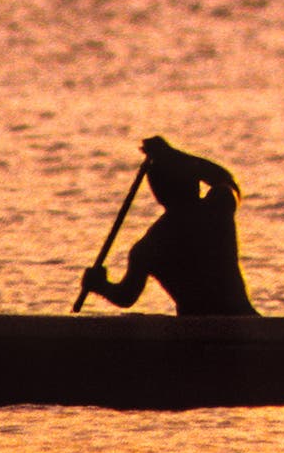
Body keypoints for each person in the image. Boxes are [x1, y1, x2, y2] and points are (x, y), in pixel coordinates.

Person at [80, 136, 258, 317]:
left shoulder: (148, 246)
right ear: (196, 182)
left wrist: (99, 286)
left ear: (157, 194)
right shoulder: (218, 207)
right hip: (243, 318)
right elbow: (225, 179)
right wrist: (173, 153)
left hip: (192, 328)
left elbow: (126, 297)